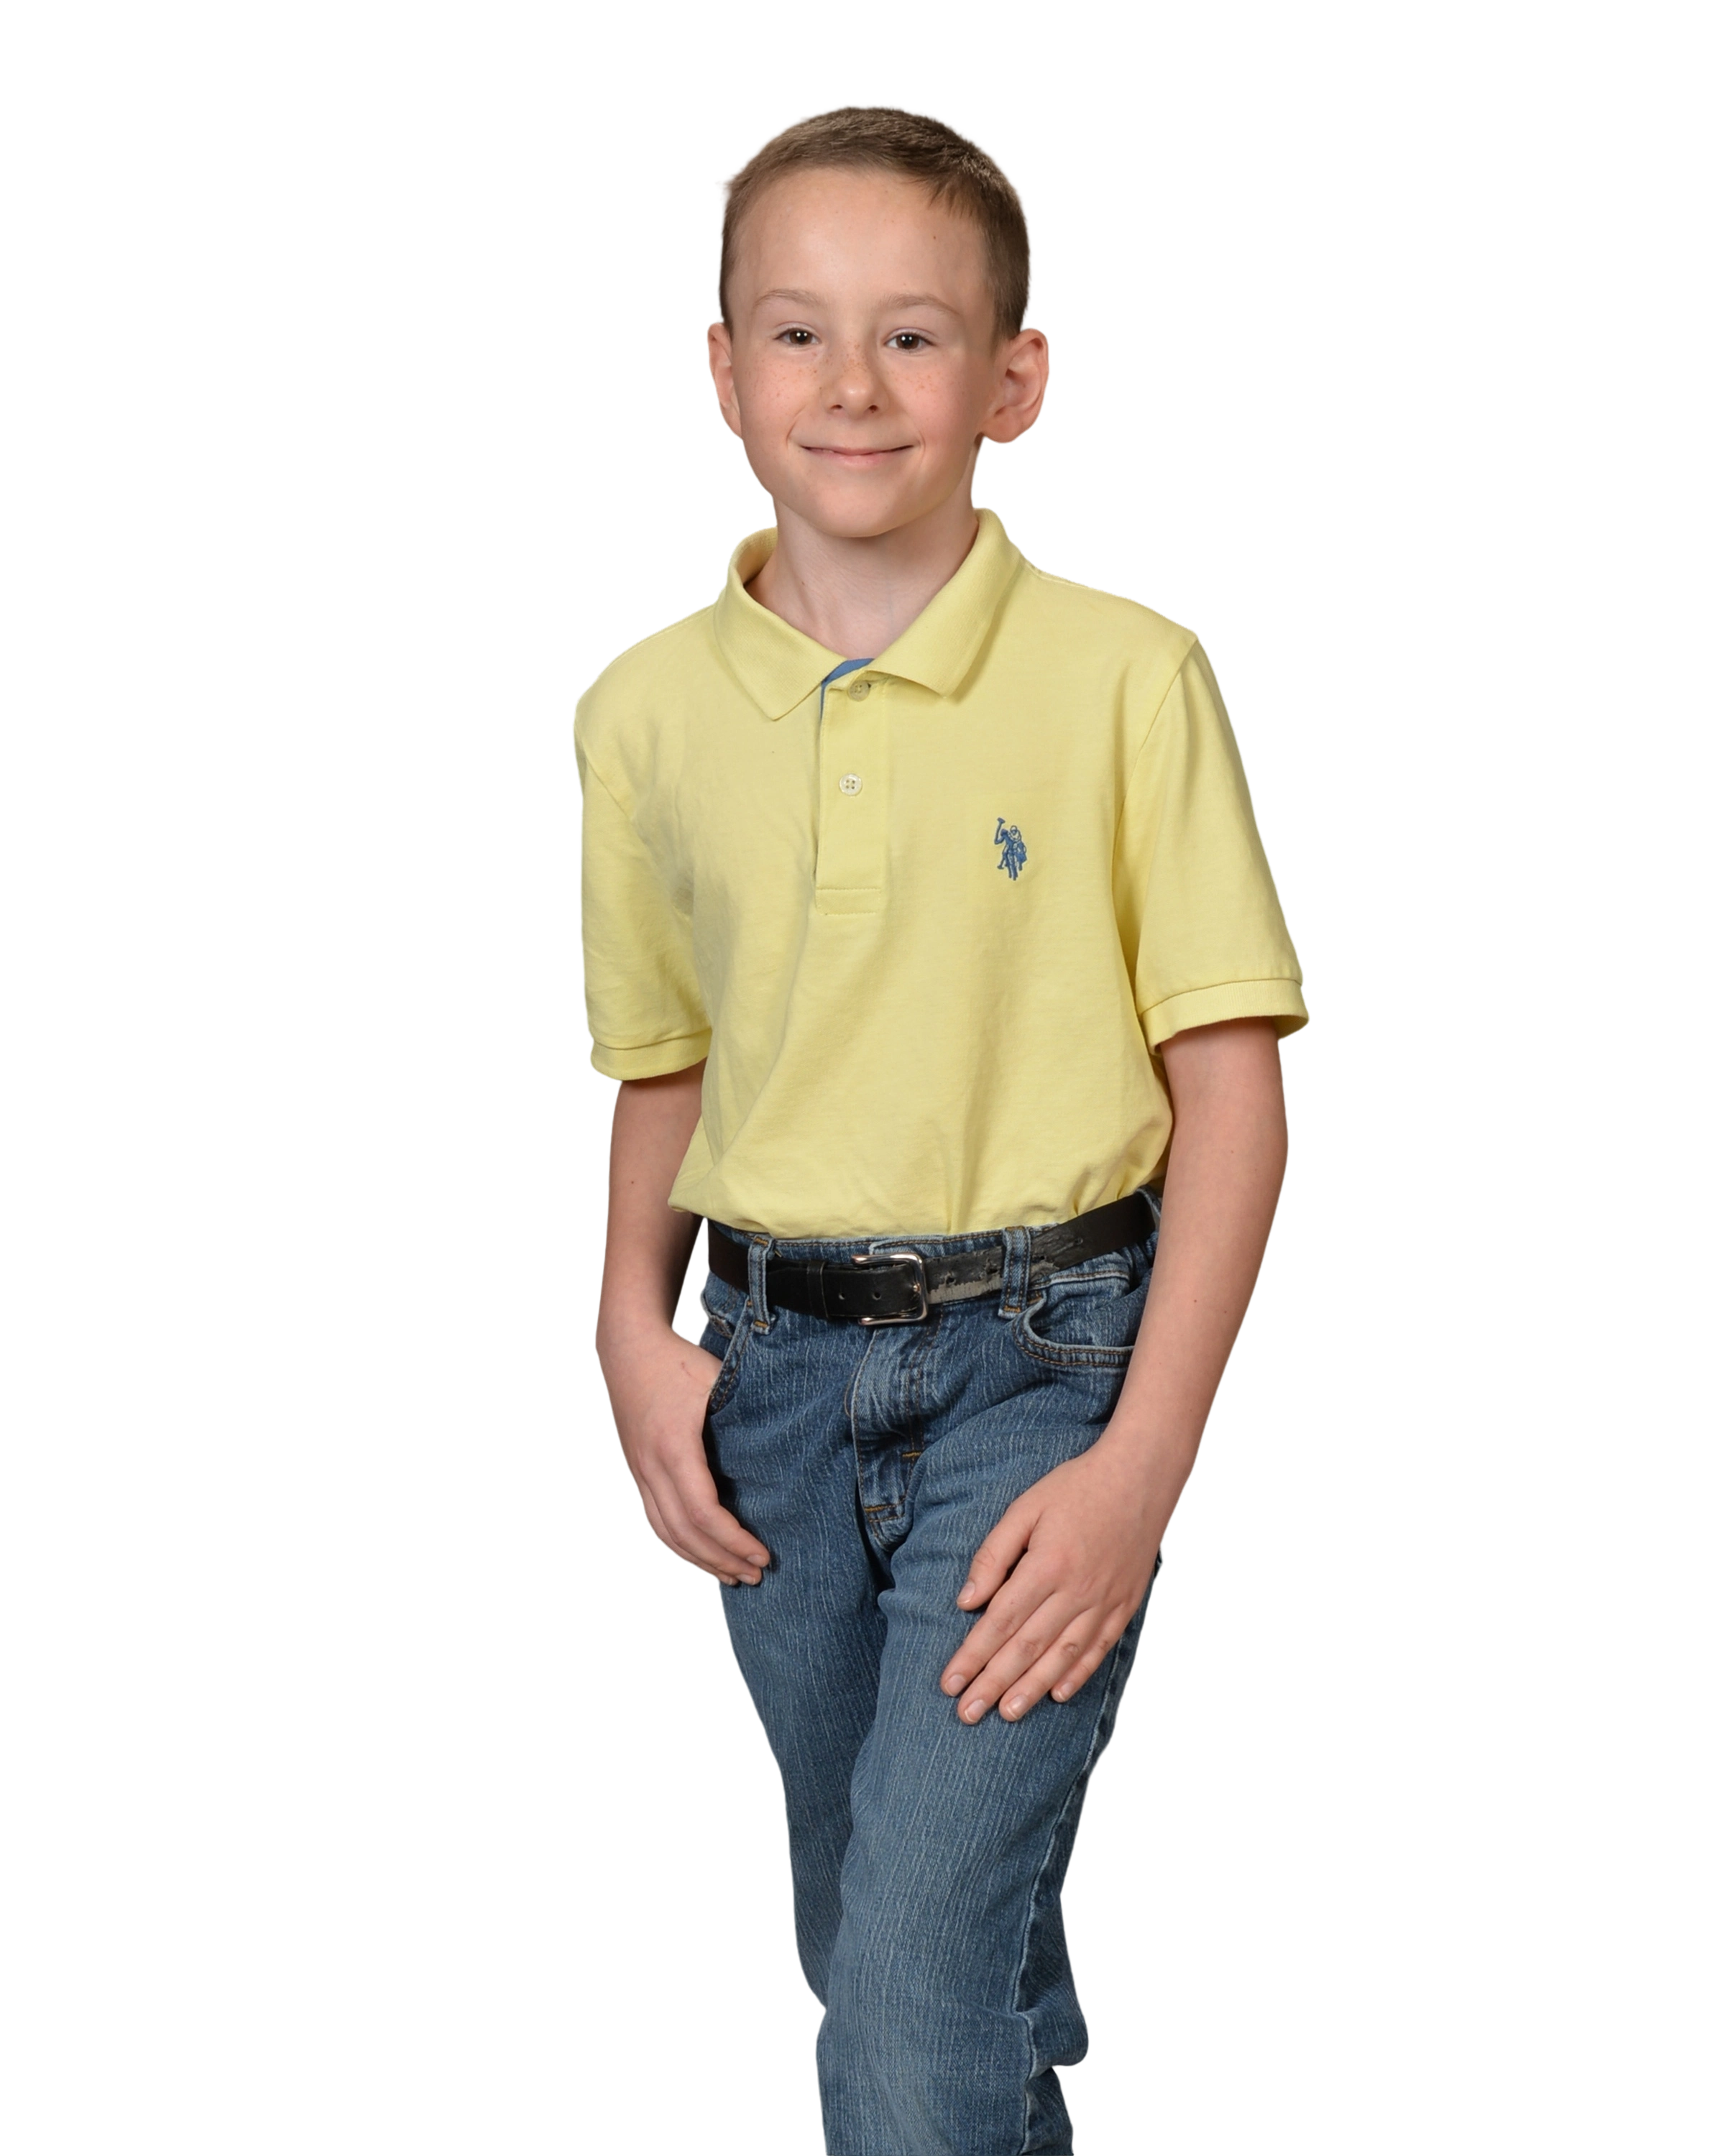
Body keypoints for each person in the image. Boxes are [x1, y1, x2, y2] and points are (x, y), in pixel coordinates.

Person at [571, 99, 1310, 2156]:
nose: (854, 383)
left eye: (914, 333)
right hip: (771, 1393)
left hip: (1046, 1376)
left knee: (909, 1996)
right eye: (797, 332)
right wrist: (631, 1323)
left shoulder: (1129, 681)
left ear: (1015, 379)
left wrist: (1142, 1467)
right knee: (898, 1942)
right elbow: (666, 1061)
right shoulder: (640, 713)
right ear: (723, 373)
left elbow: (1233, 1094)